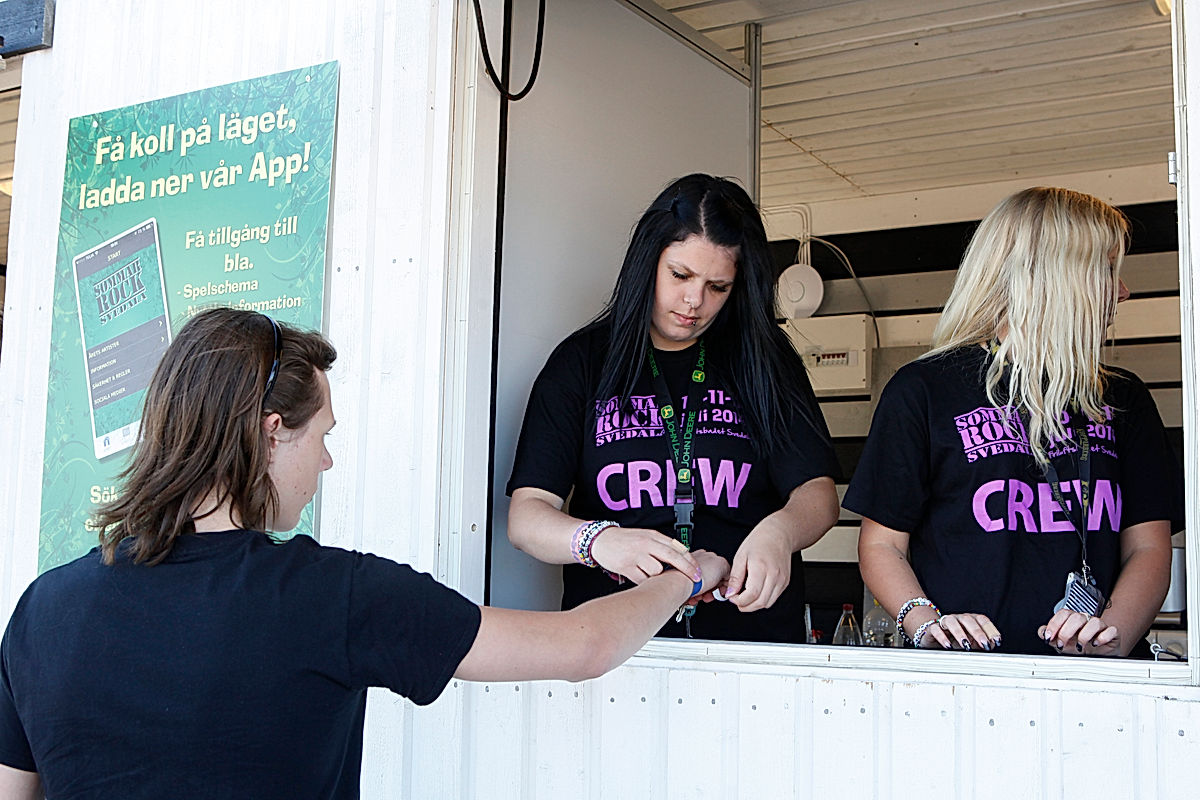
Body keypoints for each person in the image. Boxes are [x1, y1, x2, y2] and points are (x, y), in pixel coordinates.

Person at [0, 307, 730, 799]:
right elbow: (585, 644)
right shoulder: (329, 596)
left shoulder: (45, 608)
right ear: (270, 430)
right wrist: (687, 572)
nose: (326, 463)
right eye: (323, 436)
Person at [844, 187, 1183, 657]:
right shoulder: (924, 389)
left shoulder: (1124, 398)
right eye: (1107, 270)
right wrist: (929, 625)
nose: (1122, 290)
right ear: (1054, 277)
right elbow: (881, 547)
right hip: (964, 681)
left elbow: (1148, 548)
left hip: (1093, 687)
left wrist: (1112, 640)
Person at [506, 174, 840, 643]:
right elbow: (528, 516)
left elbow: (818, 494)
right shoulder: (581, 363)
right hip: (613, 643)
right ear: (649, 262)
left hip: (750, 642)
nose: (694, 301)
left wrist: (781, 532)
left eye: (718, 286)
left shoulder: (767, 363)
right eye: (680, 275)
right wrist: (599, 541)